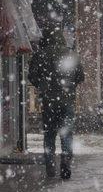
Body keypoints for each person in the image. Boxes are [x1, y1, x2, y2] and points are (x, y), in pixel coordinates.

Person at [28, 28, 85, 179]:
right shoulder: (71, 54)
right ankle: (65, 161)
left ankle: (50, 166)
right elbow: (80, 76)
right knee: (66, 133)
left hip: (48, 101)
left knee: (49, 135)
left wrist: (43, 86)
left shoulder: (39, 55)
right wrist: (69, 86)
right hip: (67, 100)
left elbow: (31, 76)